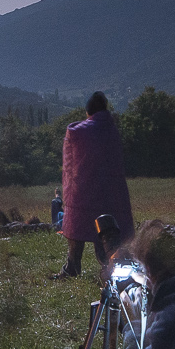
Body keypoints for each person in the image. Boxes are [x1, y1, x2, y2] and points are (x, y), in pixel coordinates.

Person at [57, 93, 132, 278]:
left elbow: (73, 136)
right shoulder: (112, 130)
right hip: (110, 191)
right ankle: (113, 267)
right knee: (107, 232)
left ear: (88, 111)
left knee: (77, 227)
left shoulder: (79, 132)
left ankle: (72, 267)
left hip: (83, 190)